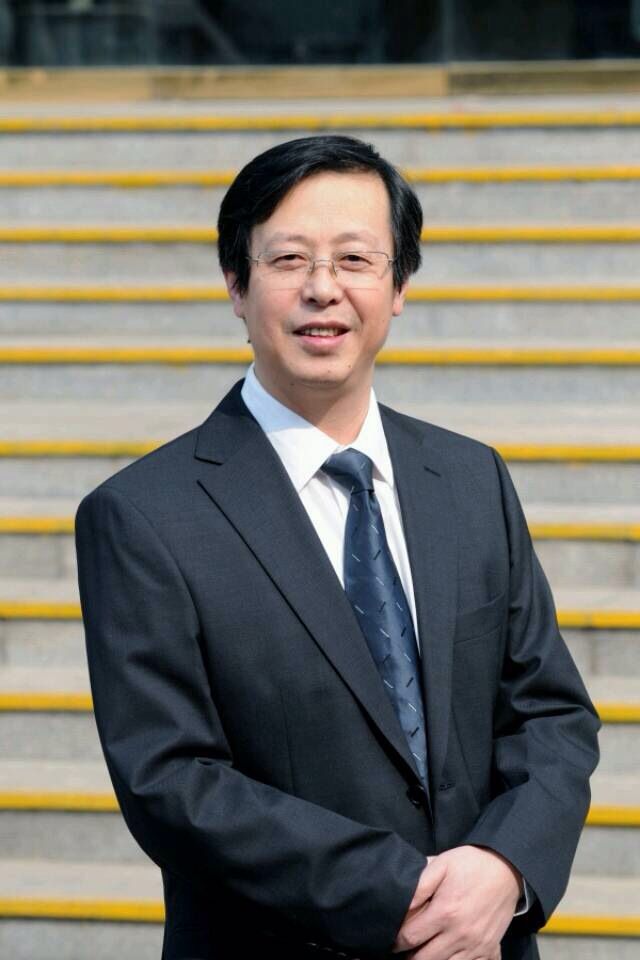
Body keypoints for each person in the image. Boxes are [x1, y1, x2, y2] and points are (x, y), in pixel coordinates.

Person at [74, 135, 600, 960]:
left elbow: (551, 713)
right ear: (236, 284)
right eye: (289, 259)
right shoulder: (143, 516)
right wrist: (403, 894)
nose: (324, 288)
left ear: (399, 286)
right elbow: (170, 780)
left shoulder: (471, 478)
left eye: (356, 259)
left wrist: (504, 866)